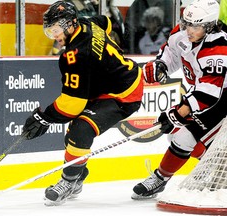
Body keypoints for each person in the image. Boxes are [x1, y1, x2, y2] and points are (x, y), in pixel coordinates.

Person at [22, 1, 144, 206]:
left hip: (124, 92)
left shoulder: (75, 56)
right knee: (72, 135)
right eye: (50, 31)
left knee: (81, 129)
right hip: (108, 85)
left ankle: (69, 181)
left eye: (56, 30)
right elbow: (106, 22)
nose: (55, 37)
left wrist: (43, 118)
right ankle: (78, 173)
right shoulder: (87, 23)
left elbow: (72, 105)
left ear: (70, 24)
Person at [131, 0, 227, 200]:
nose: (188, 30)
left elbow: (207, 94)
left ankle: (160, 178)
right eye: (186, 23)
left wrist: (176, 114)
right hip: (206, 94)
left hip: (221, 97)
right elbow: (172, 54)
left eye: (196, 26)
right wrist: (161, 65)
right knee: (177, 136)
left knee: (185, 137)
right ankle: (218, 170)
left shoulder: (218, 48)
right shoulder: (182, 33)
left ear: (209, 27)